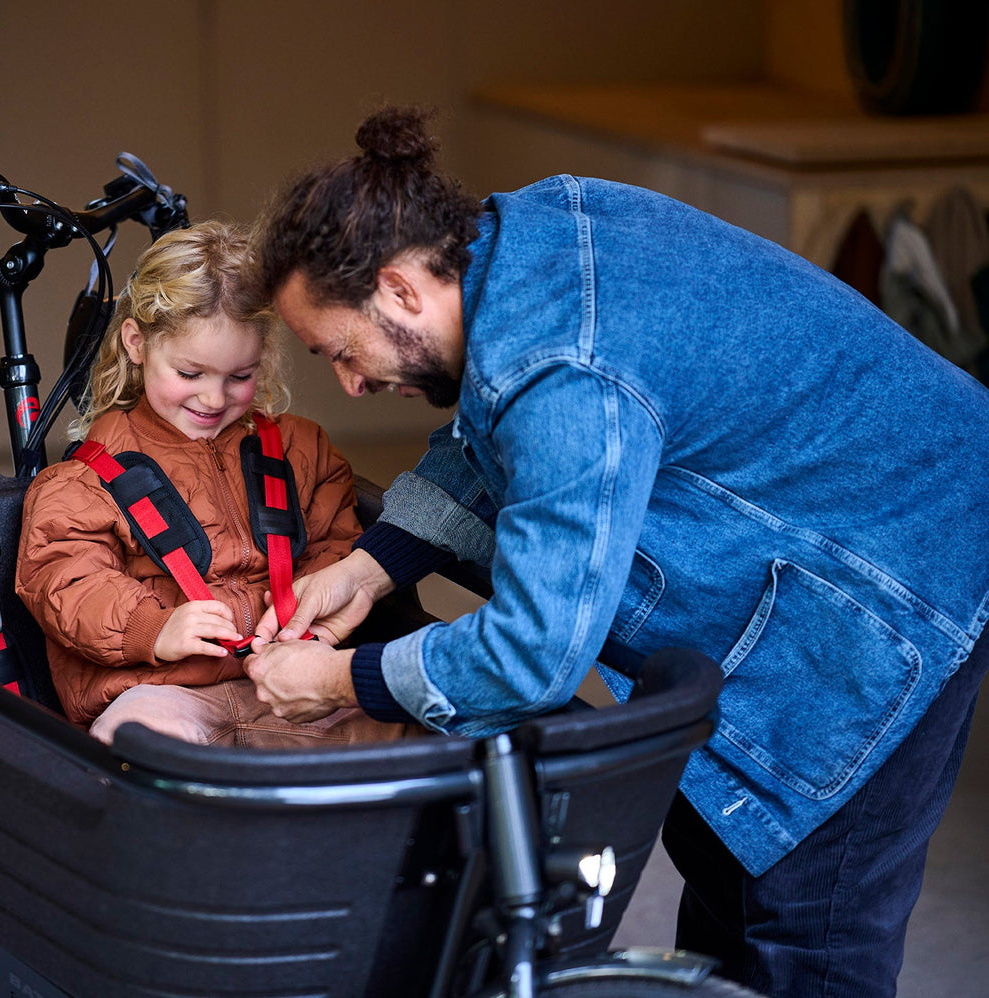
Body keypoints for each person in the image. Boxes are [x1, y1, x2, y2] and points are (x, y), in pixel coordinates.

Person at [242, 106, 989, 997]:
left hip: (909, 557)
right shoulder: (518, 241)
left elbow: (533, 653)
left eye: (340, 350)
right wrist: (370, 568)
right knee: (719, 863)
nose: (352, 382)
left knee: (807, 925)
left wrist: (339, 681)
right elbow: (496, 426)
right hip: (824, 506)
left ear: (400, 289)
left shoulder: (564, 371)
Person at [15, 220, 403, 748]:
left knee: (409, 728)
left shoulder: (300, 450)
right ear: (136, 343)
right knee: (136, 738)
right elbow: (66, 582)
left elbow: (335, 544)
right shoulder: (82, 483)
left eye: (239, 377)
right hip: (160, 690)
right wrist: (154, 629)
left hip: (290, 682)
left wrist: (307, 623)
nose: (214, 399)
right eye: (190, 374)